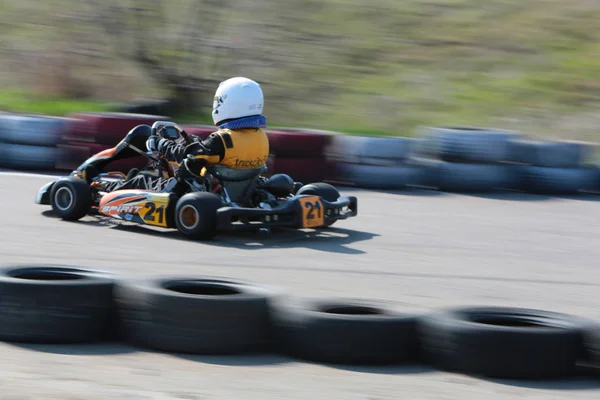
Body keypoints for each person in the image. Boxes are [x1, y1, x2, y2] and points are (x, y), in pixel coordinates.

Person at [91, 77, 270, 193]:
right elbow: (205, 152)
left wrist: (159, 143)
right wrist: (194, 142)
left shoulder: (223, 139)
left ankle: (99, 189)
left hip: (195, 190)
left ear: (227, 103)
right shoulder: (261, 137)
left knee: (142, 179)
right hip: (239, 190)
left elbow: (187, 155)